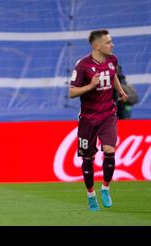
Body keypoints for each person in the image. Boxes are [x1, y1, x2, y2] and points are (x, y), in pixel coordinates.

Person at [69, 29, 128, 211]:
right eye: (108, 42)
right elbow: (71, 92)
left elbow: (113, 75)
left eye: (111, 41)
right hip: (88, 119)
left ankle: (105, 188)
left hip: (108, 115)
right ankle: (91, 194)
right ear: (96, 46)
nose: (112, 45)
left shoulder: (112, 60)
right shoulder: (82, 66)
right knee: (88, 157)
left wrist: (120, 91)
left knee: (110, 150)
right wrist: (90, 86)